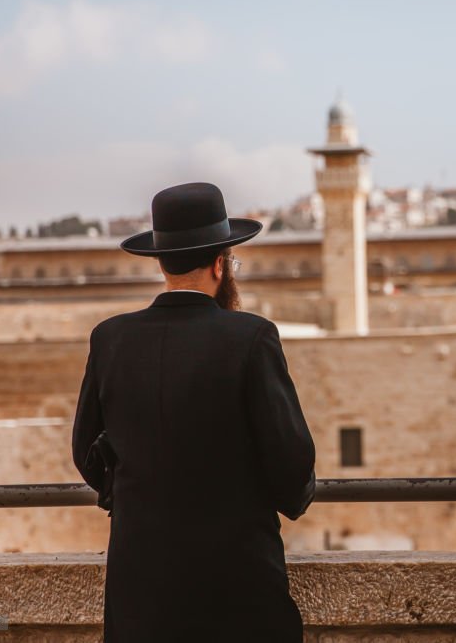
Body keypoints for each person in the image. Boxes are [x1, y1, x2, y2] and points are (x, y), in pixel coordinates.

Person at [71, 182, 316, 642]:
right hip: (239, 600)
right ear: (222, 265)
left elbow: (86, 453)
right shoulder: (253, 338)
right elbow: (292, 465)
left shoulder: (110, 340)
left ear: (161, 264)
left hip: (140, 601)